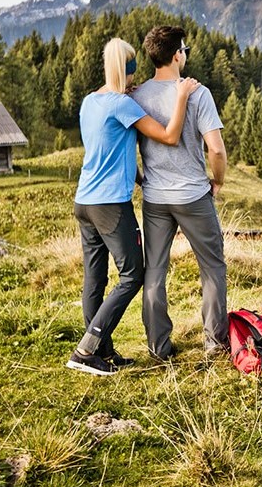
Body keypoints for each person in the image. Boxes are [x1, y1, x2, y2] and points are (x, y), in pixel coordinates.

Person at [66, 37, 199, 376]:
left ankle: (101, 352)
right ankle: (86, 350)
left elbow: (108, 146)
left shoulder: (91, 102)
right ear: (128, 68)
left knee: (94, 279)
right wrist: (181, 96)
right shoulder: (122, 105)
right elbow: (169, 135)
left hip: (84, 201)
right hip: (110, 205)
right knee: (133, 274)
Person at [131, 25, 228, 361]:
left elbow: (128, 148)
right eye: (184, 49)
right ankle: (214, 344)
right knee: (212, 267)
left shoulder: (136, 96)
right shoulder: (198, 93)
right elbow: (215, 150)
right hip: (192, 195)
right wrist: (218, 181)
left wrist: (142, 179)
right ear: (176, 55)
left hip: (156, 198)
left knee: (154, 271)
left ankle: (158, 347)